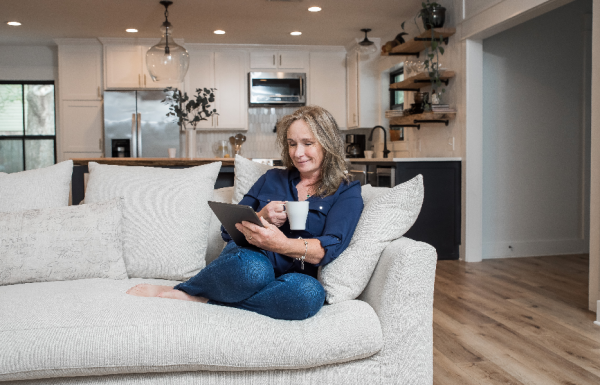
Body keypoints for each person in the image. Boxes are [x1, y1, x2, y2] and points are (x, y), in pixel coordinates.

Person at [127, 106, 363, 320]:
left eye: (307, 143)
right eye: (292, 144)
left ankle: (202, 298)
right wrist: (261, 216)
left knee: (309, 295)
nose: (298, 153)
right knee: (254, 271)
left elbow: (329, 248)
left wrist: (281, 244)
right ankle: (185, 290)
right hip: (250, 258)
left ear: (327, 143)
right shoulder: (272, 178)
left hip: (295, 273)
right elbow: (228, 231)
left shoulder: (346, 191)